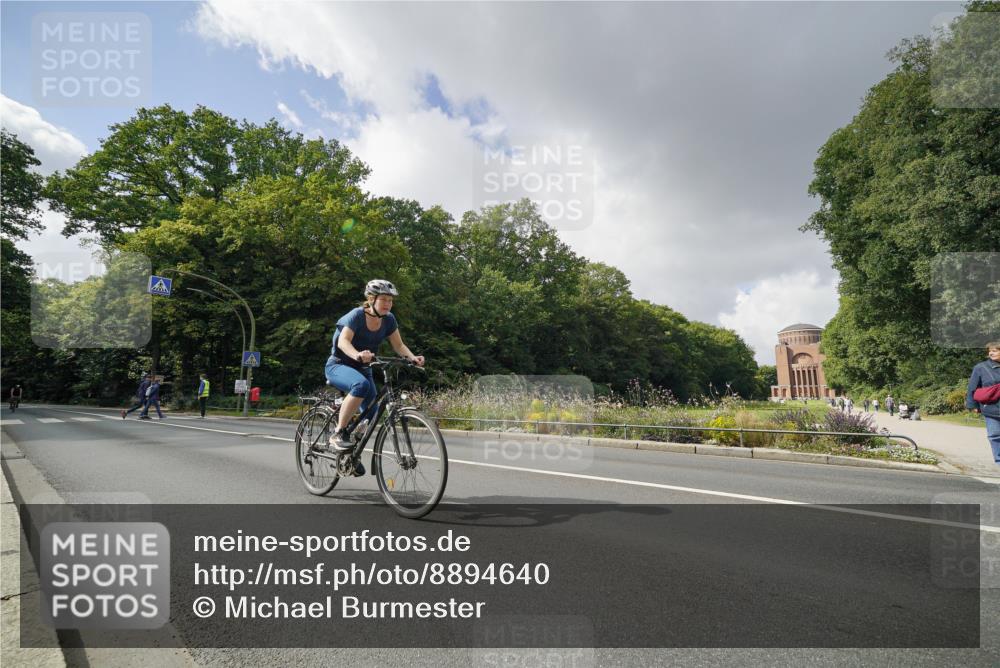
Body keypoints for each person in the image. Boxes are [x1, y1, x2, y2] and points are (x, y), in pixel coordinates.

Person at [324, 280, 424, 462]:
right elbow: (343, 342)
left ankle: (350, 457)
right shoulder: (356, 315)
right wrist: (357, 355)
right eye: (384, 299)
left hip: (363, 369)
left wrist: (412, 358)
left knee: (372, 415)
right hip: (338, 365)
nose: (388, 304)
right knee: (360, 385)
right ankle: (338, 433)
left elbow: (399, 345)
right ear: (371, 299)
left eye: (390, 300)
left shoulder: (389, 319)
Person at [966, 342, 1000, 465]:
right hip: (991, 408)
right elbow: (972, 387)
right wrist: (972, 405)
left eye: (995, 350)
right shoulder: (981, 367)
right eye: (990, 351)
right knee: (995, 435)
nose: (991, 353)